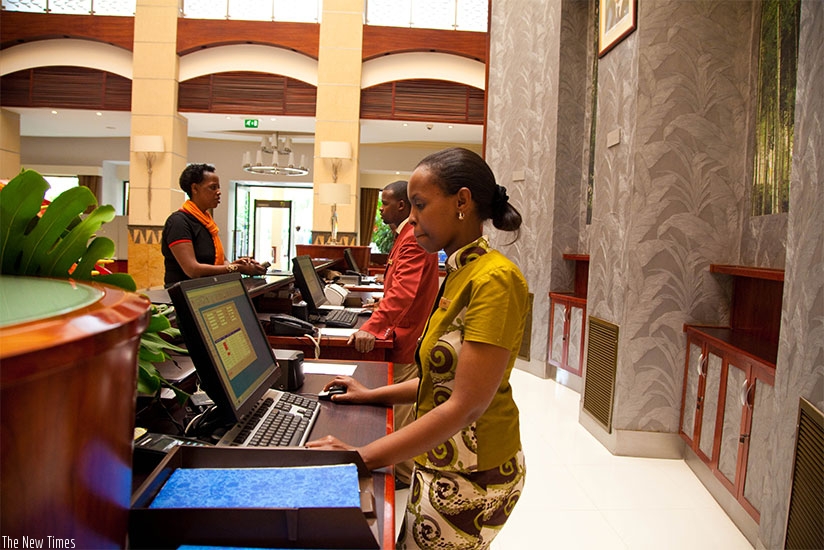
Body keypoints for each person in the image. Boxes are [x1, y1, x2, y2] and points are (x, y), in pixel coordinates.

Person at [307, 147, 529, 549]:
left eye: (420, 205)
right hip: (444, 458)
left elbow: (466, 404)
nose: (410, 218)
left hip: (475, 471)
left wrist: (362, 456)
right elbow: (439, 379)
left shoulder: (495, 279)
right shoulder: (461, 270)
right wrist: (373, 395)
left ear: (461, 202)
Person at [347, 179, 440, 487]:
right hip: (403, 331)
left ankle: (401, 479)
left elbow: (404, 293)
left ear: (402, 206)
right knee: (399, 411)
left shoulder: (412, 238)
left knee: (401, 414)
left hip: (406, 337)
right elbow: (398, 288)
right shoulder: (405, 237)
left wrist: (371, 327)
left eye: (385, 203)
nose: (381, 208)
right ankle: (400, 474)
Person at [162, 163, 266, 286]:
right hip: (184, 296)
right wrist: (238, 269)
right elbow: (193, 270)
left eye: (218, 187)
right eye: (213, 187)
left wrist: (237, 265)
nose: (219, 192)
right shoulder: (178, 222)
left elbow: (223, 262)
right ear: (195, 188)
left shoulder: (207, 222)